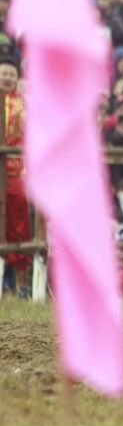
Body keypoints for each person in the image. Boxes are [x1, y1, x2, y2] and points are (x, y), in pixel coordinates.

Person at [0, 56, 28, 296]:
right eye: (3, 73)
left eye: (11, 74)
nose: (7, 77)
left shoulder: (25, 104)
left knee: (19, 222)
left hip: (17, 168)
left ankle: (21, 283)